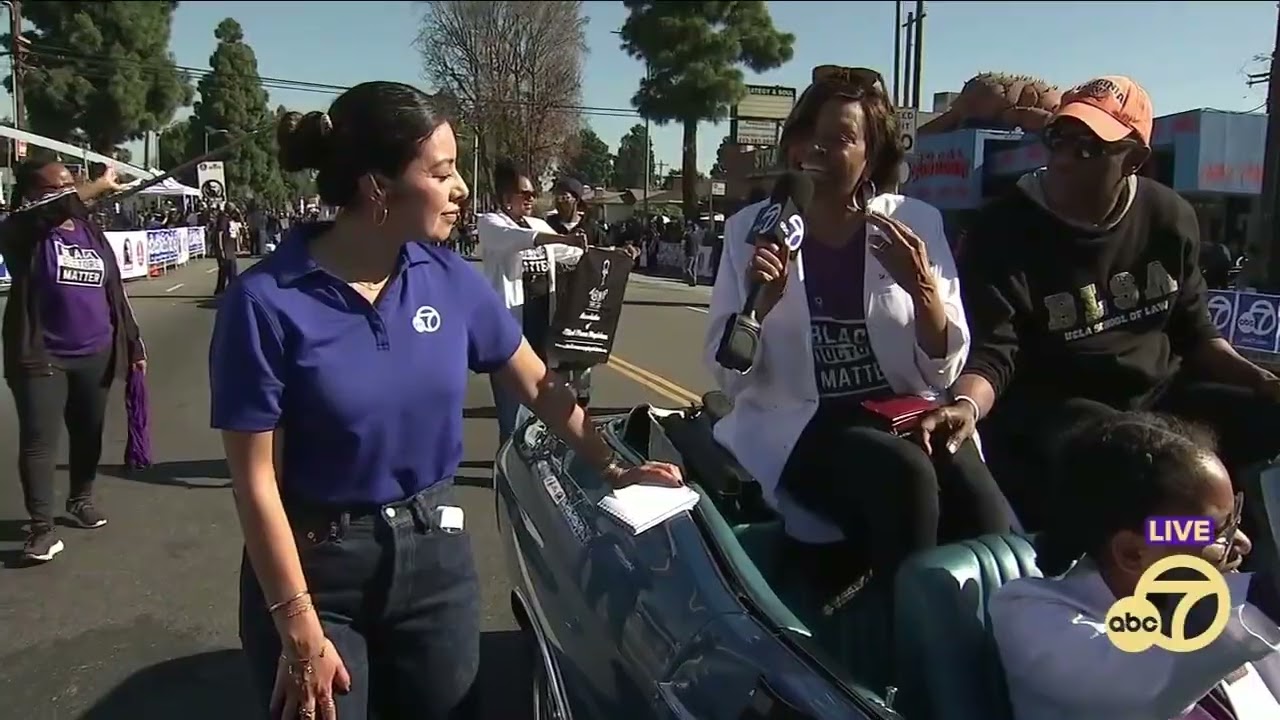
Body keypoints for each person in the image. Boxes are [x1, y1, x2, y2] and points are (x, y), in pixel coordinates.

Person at [210, 82, 682, 720]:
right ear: (378, 187)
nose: (461, 188)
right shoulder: (264, 302)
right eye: (441, 172)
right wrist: (298, 627)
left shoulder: (451, 280)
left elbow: (539, 385)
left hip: (435, 561)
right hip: (317, 574)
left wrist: (614, 466)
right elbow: (256, 483)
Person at [918, 76, 1280, 531]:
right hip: (1058, 408)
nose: (1064, 158)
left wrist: (1264, 381)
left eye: (1088, 147)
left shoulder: (1169, 216)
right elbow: (995, 351)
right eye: (1058, 139)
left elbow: (1195, 333)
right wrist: (967, 406)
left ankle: (1251, 549)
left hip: (1159, 394)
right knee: (1157, 465)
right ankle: (1188, 548)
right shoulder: (1003, 229)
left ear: (1133, 159)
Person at [705, 64, 1017, 587]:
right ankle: (906, 625)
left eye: (840, 138)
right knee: (903, 475)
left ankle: (1002, 625)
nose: (816, 149)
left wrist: (922, 290)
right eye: (807, 134)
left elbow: (942, 368)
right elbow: (729, 377)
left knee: (981, 504)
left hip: (903, 411)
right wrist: (761, 308)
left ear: (871, 157)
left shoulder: (915, 222)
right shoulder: (749, 232)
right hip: (802, 422)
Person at [991, 412, 1280, 720]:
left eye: (1234, 521)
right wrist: (1264, 598)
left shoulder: (1200, 602)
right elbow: (1140, 688)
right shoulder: (1031, 616)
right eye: (1216, 532)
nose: (1243, 543)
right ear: (1133, 553)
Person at [2, 160, 144, 563]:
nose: (68, 191)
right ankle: (41, 529)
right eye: (57, 187)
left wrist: (133, 344)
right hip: (41, 354)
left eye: (71, 184)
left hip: (95, 351)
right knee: (38, 441)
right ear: (33, 195)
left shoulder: (89, 231)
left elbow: (114, 291)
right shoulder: (21, 231)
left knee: (88, 433)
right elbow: (48, 211)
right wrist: (98, 185)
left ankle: (80, 498)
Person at [476, 161, 585, 445]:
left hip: (541, 337)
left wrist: (614, 254)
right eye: (524, 193)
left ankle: (529, 469)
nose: (531, 199)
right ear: (505, 197)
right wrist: (561, 237)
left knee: (539, 420)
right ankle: (506, 469)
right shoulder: (490, 223)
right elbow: (518, 239)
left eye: (533, 194)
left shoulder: (538, 223)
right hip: (510, 338)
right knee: (512, 421)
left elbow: (571, 253)